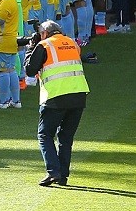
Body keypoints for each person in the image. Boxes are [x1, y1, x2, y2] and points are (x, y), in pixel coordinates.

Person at [24, 20, 90, 186]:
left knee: (45, 135)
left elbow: (29, 70)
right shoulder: (72, 43)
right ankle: (63, 176)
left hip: (56, 96)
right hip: (79, 95)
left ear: (44, 33)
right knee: (66, 138)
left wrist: (30, 48)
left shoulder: (45, 45)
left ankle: (53, 172)